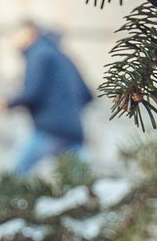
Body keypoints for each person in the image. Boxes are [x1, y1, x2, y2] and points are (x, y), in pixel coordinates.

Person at [7, 23, 93, 176]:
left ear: (30, 33)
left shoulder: (38, 54)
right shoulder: (65, 57)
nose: (14, 40)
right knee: (83, 181)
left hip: (50, 130)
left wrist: (7, 104)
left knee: (12, 176)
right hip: (74, 130)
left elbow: (31, 92)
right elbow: (87, 94)